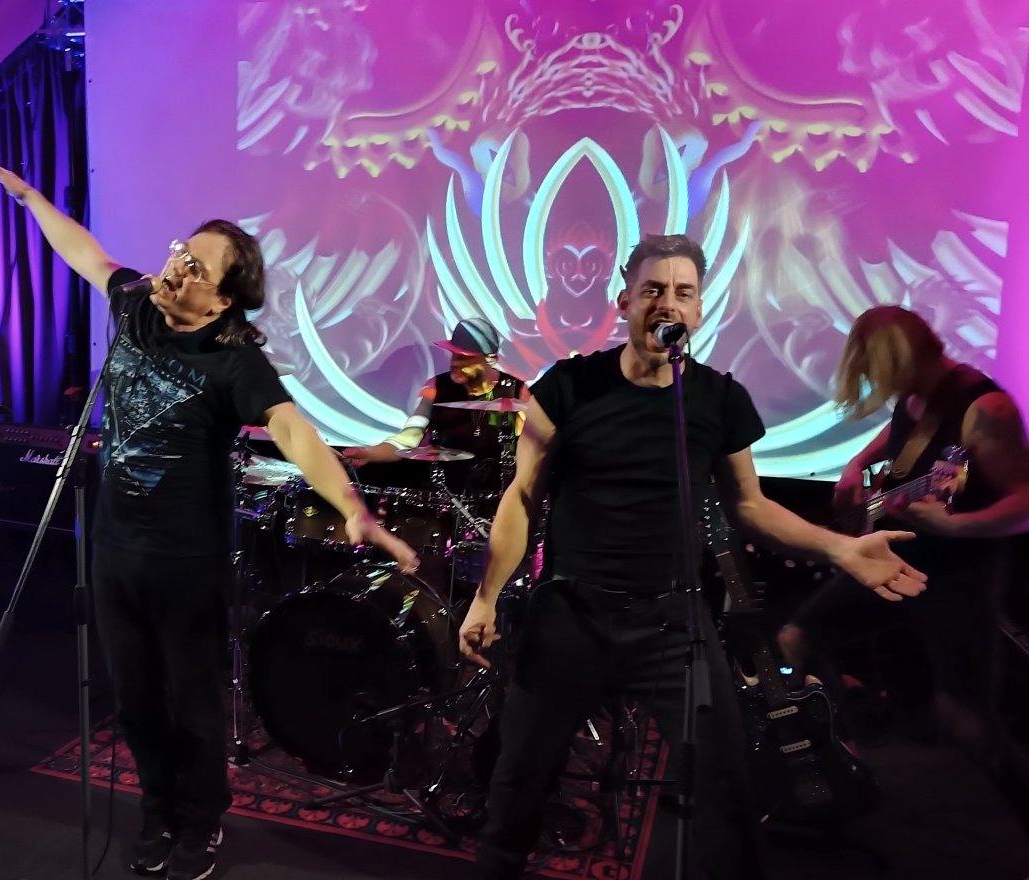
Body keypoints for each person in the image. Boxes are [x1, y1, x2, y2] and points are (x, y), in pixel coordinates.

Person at [0, 161, 420, 880]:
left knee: (191, 703)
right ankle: (158, 808)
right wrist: (32, 200)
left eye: (194, 267)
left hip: (187, 561)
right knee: (134, 701)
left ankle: (202, 815)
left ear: (223, 299)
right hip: (114, 548)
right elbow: (87, 254)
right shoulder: (136, 306)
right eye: (179, 253)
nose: (175, 268)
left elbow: (292, 429)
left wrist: (351, 507)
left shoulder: (236, 359)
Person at [456, 234, 929, 880]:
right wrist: (486, 597)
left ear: (700, 310)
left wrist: (841, 547)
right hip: (570, 614)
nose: (667, 303)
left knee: (726, 788)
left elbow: (750, 507)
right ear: (624, 301)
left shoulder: (718, 400)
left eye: (683, 292)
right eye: (652, 289)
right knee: (517, 783)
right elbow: (522, 497)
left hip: (673, 623)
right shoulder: (567, 386)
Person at [778, 305, 1029, 782]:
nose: (885, 389)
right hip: (897, 560)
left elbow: (1024, 502)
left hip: (960, 575)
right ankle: (834, 763)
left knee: (964, 719)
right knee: (795, 640)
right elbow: (906, 427)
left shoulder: (987, 411)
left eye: (884, 377)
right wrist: (857, 463)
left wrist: (957, 525)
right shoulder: (919, 394)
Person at [342, 317, 529, 493]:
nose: (455, 363)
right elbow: (407, 439)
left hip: (498, 496)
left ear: (491, 359)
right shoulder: (435, 387)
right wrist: (369, 453)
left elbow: (532, 452)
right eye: (454, 355)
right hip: (445, 495)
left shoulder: (517, 392)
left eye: (464, 357)